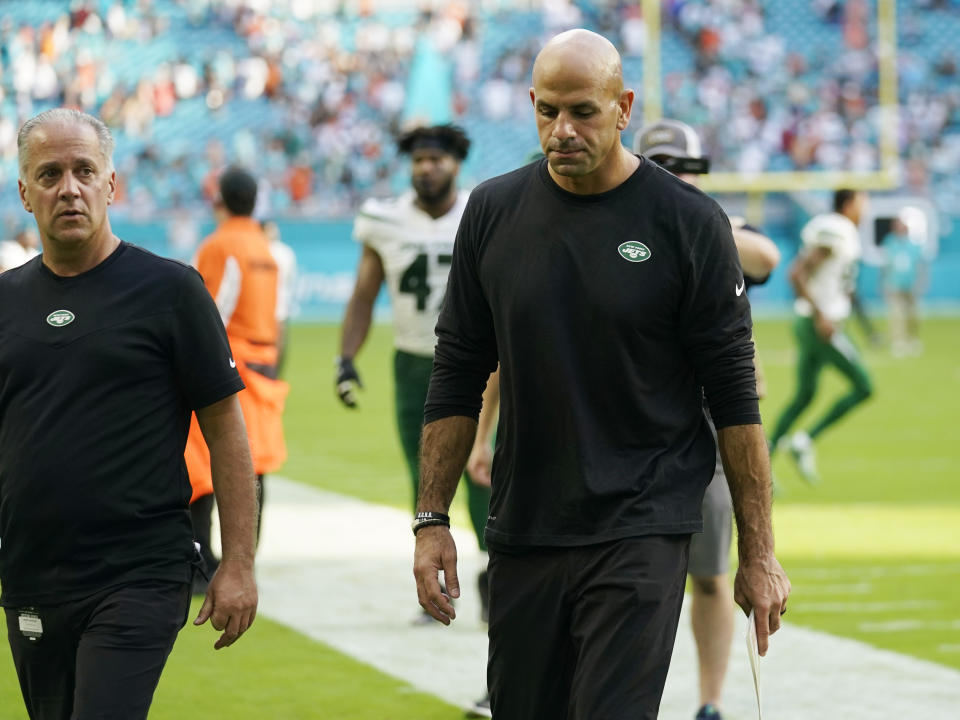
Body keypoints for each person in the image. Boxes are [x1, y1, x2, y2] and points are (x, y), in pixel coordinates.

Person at [412, 29, 790, 720]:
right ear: (530, 103)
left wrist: (758, 553)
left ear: (624, 107)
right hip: (527, 522)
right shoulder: (493, 212)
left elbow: (735, 400)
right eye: (548, 110)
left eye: (583, 111)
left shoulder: (690, 224)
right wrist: (431, 520)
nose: (563, 130)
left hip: (642, 521)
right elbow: (459, 367)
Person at [0, 108, 258, 720]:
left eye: (85, 171)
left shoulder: (170, 291)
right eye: (51, 173)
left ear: (110, 184)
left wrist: (239, 564)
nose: (70, 187)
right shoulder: (5, 302)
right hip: (32, 572)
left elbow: (225, 430)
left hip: (138, 572)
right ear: (24, 193)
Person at [634, 119, 781, 720]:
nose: (679, 180)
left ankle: (711, 702)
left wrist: (687, 216)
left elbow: (765, 255)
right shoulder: (616, 225)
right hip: (632, 420)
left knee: (713, 572)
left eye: (688, 171)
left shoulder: (713, 227)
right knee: (631, 578)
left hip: (707, 421)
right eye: (667, 168)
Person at [336, 125, 493, 627]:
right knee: (424, 476)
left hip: (479, 360)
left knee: (484, 471)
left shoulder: (481, 210)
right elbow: (364, 293)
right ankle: (436, 583)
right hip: (413, 362)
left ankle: (497, 574)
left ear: (456, 164)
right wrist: (346, 358)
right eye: (419, 159)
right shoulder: (385, 219)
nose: (427, 167)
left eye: (437, 159)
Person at [185, 167, 289, 591]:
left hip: (229, 368)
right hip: (262, 368)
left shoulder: (220, 244)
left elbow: (210, 312)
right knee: (255, 465)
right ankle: (246, 558)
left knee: (202, 466)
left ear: (219, 200)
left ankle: (203, 561)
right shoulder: (265, 247)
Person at [768, 189, 874, 483]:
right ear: (850, 203)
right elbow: (796, 273)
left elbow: (841, 283)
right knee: (865, 386)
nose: (864, 209)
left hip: (812, 321)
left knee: (805, 395)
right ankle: (804, 441)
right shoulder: (837, 230)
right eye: (862, 202)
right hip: (818, 325)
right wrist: (821, 314)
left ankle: (765, 457)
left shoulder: (843, 231)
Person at [881, 214, 926, 357]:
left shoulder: (914, 245)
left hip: (910, 283)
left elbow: (919, 265)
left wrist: (920, 282)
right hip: (895, 283)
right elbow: (886, 264)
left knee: (913, 314)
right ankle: (898, 341)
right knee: (896, 314)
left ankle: (912, 339)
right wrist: (884, 282)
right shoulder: (890, 243)